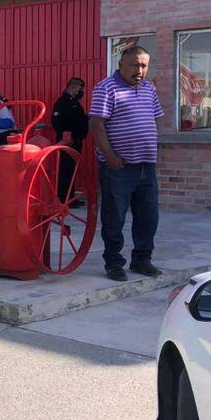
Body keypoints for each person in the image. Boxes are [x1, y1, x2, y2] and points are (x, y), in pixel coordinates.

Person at [89, 46, 163, 282]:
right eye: (134, 65)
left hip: (146, 166)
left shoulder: (149, 89)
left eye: (144, 65)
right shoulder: (106, 88)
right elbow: (96, 124)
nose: (139, 70)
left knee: (148, 216)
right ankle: (113, 263)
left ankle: (142, 259)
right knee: (115, 218)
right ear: (121, 64)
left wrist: (153, 148)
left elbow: (153, 119)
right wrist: (110, 156)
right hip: (118, 167)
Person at [51, 78, 89, 204]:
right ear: (73, 87)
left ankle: (70, 197)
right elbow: (57, 122)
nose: (81, 92)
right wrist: (67, 136)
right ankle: (64, 199)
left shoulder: (73, 102)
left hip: (76, 140)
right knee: (66, 169)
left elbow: (76, 119)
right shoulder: (63, 102)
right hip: (68, 141)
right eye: (80, 89)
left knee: (71, 169)